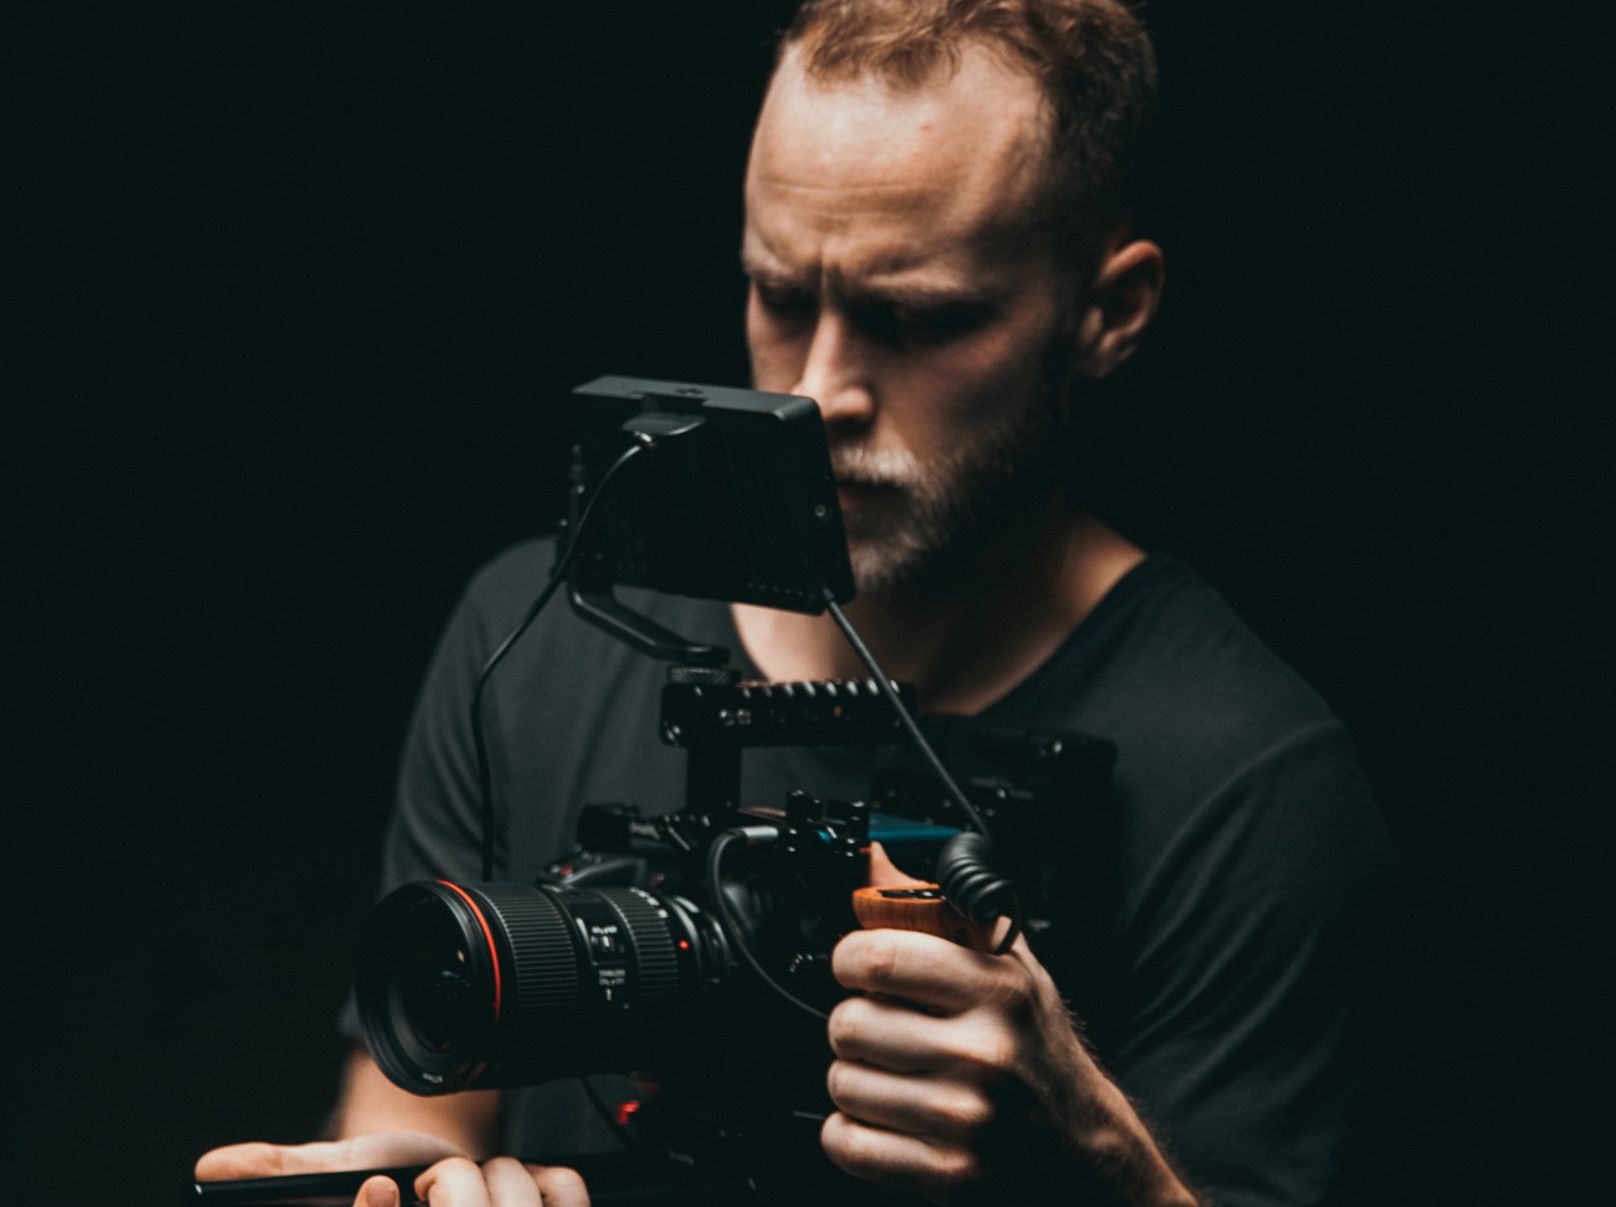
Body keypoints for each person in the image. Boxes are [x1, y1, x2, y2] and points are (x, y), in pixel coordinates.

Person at [198, 1, 1392, 1203]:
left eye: (913, 318)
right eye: (778, 295)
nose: (819, 393)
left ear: (1109, 311)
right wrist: (389, 1185)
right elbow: (417, 1109)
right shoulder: (537, 633)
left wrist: (1085, 1154)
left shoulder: (1245, 778)